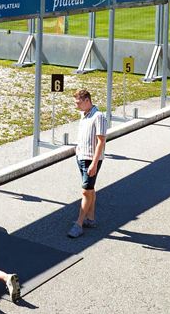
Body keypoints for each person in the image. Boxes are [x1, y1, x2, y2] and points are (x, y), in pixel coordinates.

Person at [68, 89, 107, 239]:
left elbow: (101, 142)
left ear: (87, 100)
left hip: (91, 159)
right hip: (81, 157)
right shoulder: (83, 115)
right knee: (90, 190)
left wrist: (94, 164)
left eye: (78, 103)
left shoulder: (99, 117)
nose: (76, 106)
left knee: (85, 191)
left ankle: (79, 224)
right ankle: (90, 219)